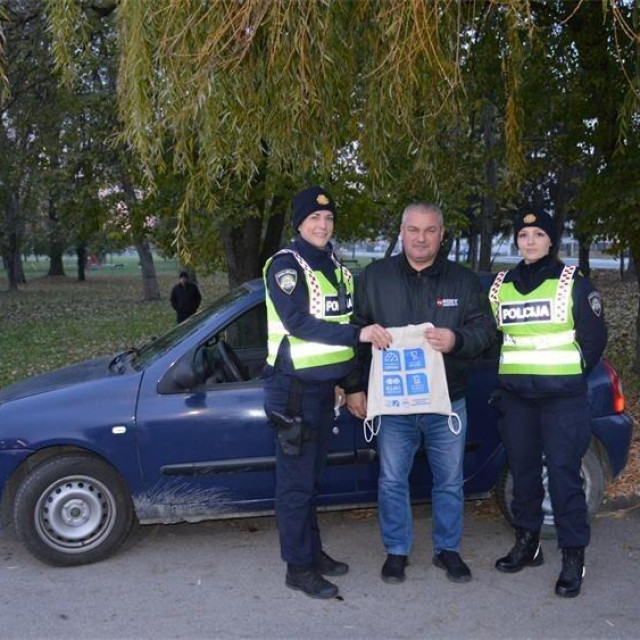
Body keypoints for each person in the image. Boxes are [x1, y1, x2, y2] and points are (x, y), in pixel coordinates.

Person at [345, 202, 495, 585]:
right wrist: (354, 387)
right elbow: (355, 336)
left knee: (449, 480)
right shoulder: (374, 278)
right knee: (392, 480)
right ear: (401, 232)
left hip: (447, 401)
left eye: (430, 230)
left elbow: (486, 334)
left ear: (441, 234)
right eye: (414, 230)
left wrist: (457, 339)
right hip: (392, 403)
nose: (421, 238)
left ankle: (448, 550)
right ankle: (397, 551)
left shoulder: (462, 282)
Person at [263, 185, 391, 600]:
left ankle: (312, 553)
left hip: (323, 389)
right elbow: (299, 323)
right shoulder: (285, 266)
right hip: (294, 390)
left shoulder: (335, 266)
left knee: (311, 480)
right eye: (314, 218)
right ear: (299, 223)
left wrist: (349, 382)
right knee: (295, 485)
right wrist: (360, 333)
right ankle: (297, 568)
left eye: (329, 218)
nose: (322, 224)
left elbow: (343, 328)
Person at [489, 208, 607, 598]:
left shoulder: (573, 283)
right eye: (524, 236)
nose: (530, 241)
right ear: (517, 241)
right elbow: (495, 339)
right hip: (518, 400)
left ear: (551, 240)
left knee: (563, 478)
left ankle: (573, 557)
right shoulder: (500, 285)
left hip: (561, 400)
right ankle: (528, 544)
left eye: (539, 234)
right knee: (522, 475)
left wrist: (567, 377)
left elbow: (593, 340)